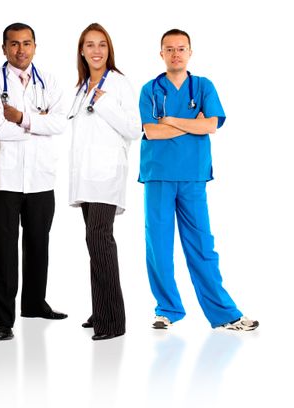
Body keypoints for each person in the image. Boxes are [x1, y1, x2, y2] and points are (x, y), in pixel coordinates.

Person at [138, 28, 259, 331]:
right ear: (161, 53)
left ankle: (225, 315)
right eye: (170, 49)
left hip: (192, 177)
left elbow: (211, 126)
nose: (176, 53)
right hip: (159, 176)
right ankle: (166, 310)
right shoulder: (150, 89)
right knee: (159, 245)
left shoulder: (204, 86)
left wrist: (174, 122)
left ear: (190, 52)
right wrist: (193, 123)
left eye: (181, 48)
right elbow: (152, 131)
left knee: (202, 246)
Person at [0, 22, 67, 341]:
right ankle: (4, 319)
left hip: (42, 178)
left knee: (38, 244)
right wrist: (37, 127)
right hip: (6, 177)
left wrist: (22, 119)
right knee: (3, 250)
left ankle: (34, 303)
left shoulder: (51, 82)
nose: (20, 50)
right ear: (4, 48)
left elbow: (59, 124)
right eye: (14, 44)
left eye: (26, 43)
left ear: (34, 46)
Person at [68, 23, 142, 341]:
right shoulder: (81, 86)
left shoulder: (120, 84)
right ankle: (101, 309)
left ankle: (113, 321)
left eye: (102, 45)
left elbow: (133, 128)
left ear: (109, 49)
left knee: (100, 239)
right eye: (90, 45)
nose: (96, 50)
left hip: (107, 174)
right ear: (82, 51)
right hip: (86, 176)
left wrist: (104, 102)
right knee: (94, 242)